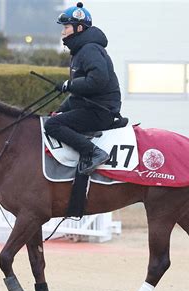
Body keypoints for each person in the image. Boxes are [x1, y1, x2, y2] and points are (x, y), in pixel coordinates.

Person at [44, 2, 122, 175]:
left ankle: (94, 153)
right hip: (92, 108)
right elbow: (79, 94)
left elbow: (98, 81)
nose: (63, 31)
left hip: (100, 111)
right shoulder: (81, 51)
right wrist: (60, 110)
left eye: (66, 27)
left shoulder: (90, 49)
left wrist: (69, 85)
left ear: (79, 28)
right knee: (54, 118)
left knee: (53, 125)